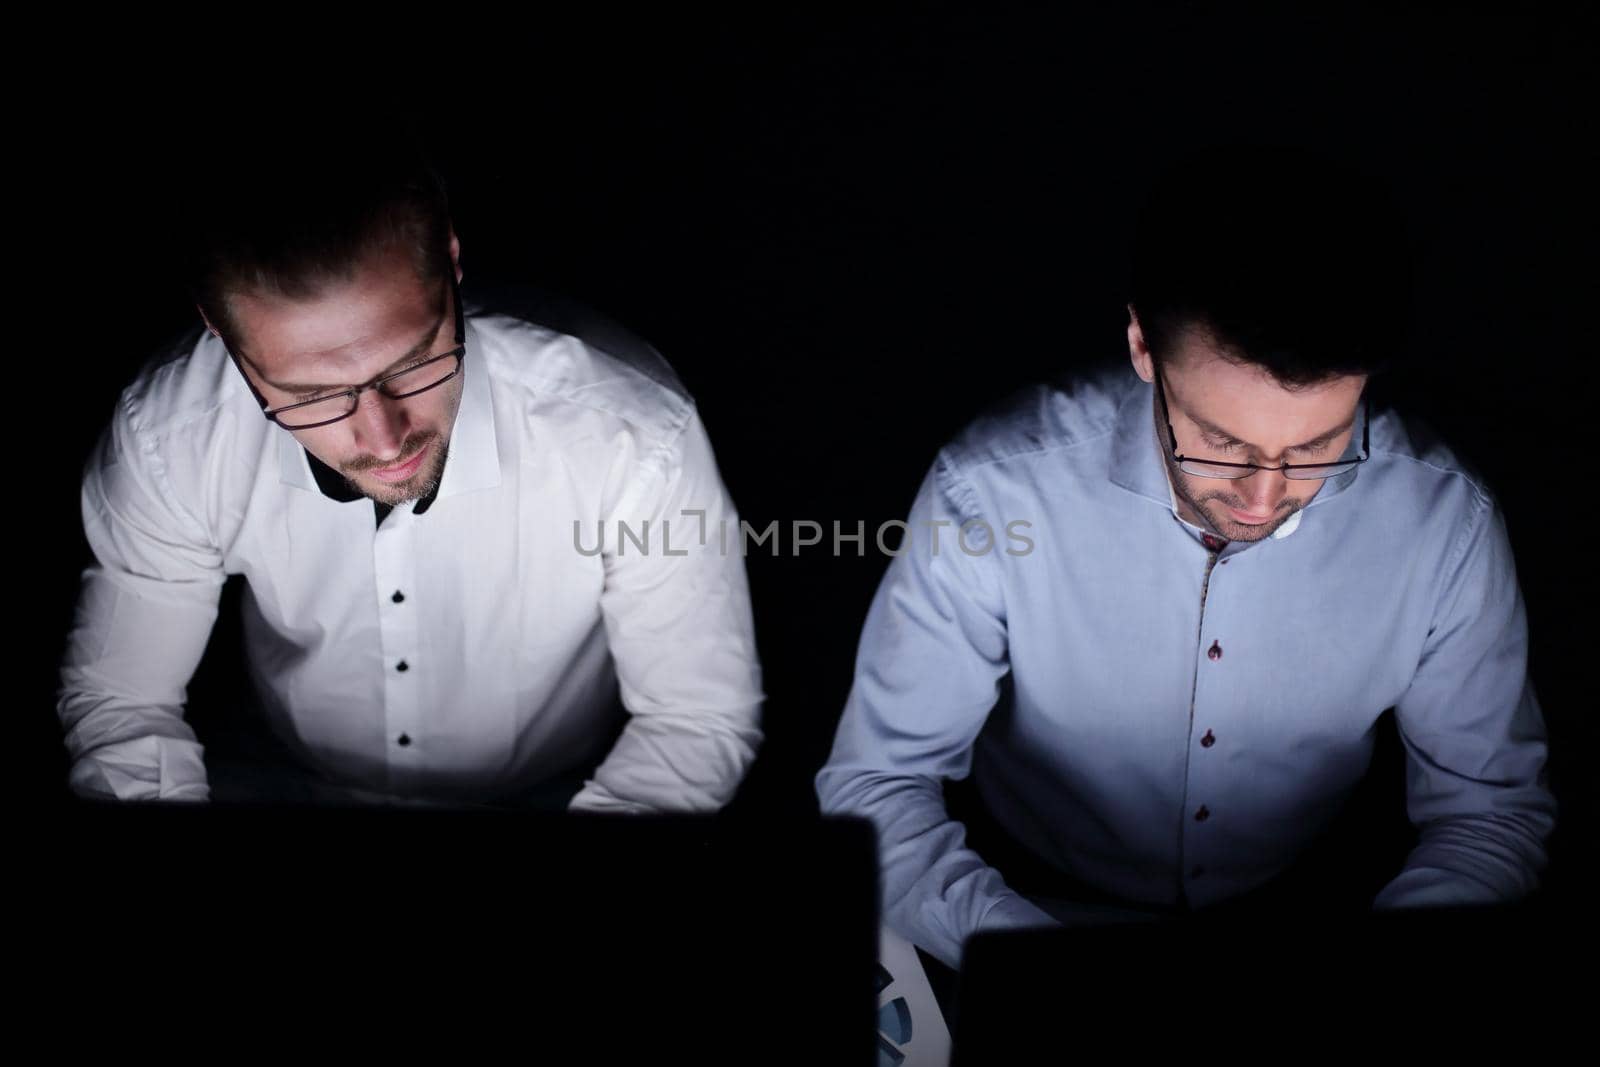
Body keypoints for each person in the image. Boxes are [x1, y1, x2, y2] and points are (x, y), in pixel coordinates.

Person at [815, 143, 1557, 971]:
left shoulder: (1445, 523)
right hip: (1017, 893)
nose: (1264, 498)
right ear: (1142, 346)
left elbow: (1492, 814)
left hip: (1312, 907)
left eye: (1317, 445)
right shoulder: (989, 492)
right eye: (1220, 441)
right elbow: (874, 790)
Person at [56, 116, 764, 813]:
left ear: (452, 261)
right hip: (281, 780)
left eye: (414, 361)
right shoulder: (169, 435)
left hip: (562, 798)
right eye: (312, 395)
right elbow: (125, 703)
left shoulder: (634, 431)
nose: (385, 437)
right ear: (219, 330)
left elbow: (693, 719)